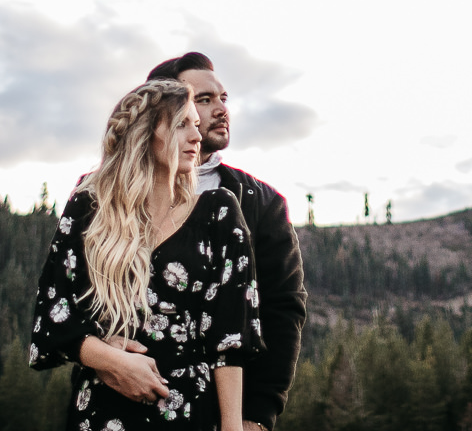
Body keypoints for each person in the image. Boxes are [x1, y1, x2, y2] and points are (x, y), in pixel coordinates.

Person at [30, 79, 264, 430]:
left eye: (197, 126)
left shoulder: (218, 213)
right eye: (183, 124)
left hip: (190, 413)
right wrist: (111, 361)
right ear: (147, 133)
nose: (197, 137)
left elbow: (229, 339)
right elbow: (51, 319)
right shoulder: (89, 209)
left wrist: (232, 427)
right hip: (101, 413)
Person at [147, 53, 305, 431]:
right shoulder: (109, 192)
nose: (221, 109)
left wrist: (257, 415)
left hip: (219, 414)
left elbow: (282, 311)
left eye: (223, 98)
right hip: (121, 403)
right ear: (163, 112)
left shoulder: (260, 203)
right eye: (203, 100)